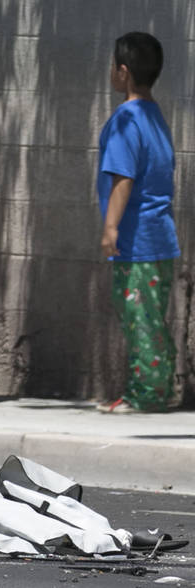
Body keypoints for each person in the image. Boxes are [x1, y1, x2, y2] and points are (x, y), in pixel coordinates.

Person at [95, 32, 180, 414]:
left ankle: (146, 394)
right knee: (152, 317)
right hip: (161, 238)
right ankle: (154, 389)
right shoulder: (156, 116)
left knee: (140, 320)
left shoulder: (125, 120)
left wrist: (111, 228)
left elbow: (122, 177)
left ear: (123, 72)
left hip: (137, 240)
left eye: (114, 66)